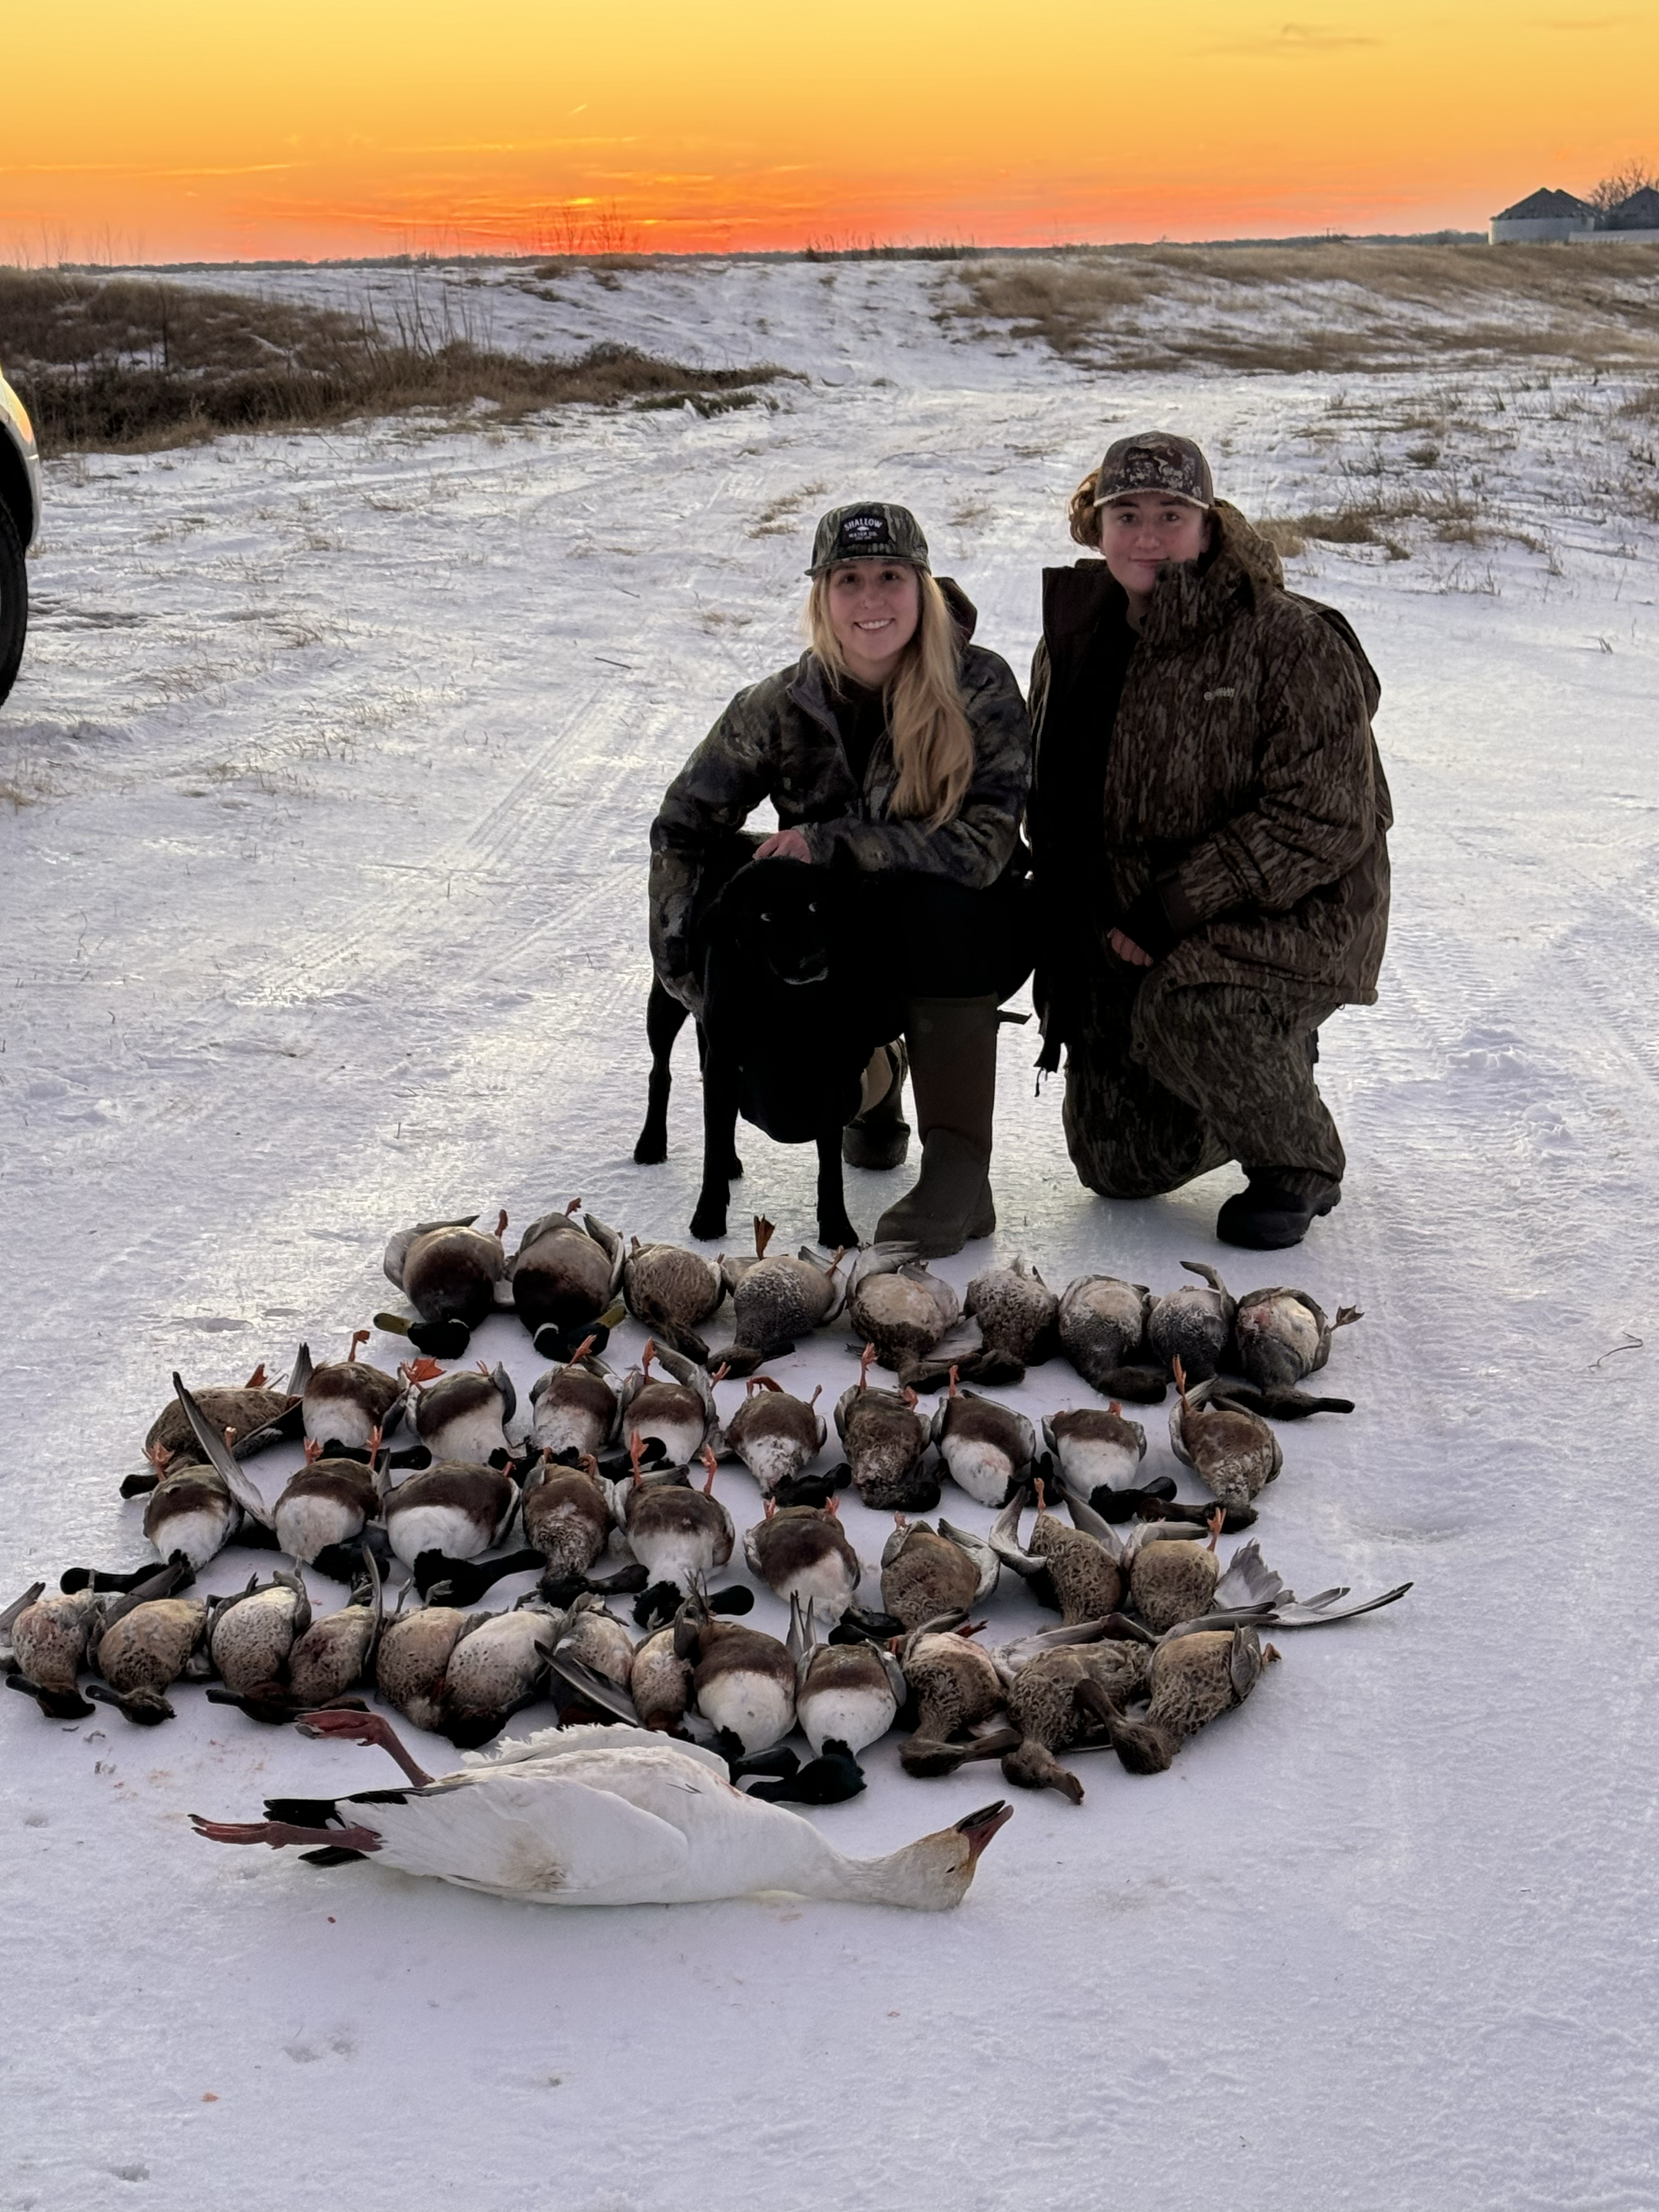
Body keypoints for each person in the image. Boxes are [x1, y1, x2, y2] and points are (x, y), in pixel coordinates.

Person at [1027, 431, 1391, 1250]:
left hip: (1295, 912)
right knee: (1118, 1166)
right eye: (1127, 514)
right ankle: (1253, 1076)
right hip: (1133, 926)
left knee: (1194, 1005)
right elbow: (1051, 799)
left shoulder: (1287, 638)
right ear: (1096, 525)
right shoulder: (1072, 639)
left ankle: (1297, 1161)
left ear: (1210, 523)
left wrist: (1178, 903)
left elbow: (1327, 818)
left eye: (1171, 514)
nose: (1148, 536)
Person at [650, 500, 1032, 1257]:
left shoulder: (978, 685)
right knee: (787, 1108)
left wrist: (830, 844)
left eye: (891, 576)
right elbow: (684, 828)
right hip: (835, 953)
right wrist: (691, 977)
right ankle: (875, 1080)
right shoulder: (780, 704)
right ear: (821, 595)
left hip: (963, 934)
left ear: (921, 586)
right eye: (848, 579)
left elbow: (984, 844)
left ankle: (960, 1169)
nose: (870, 600)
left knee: (934, 906)